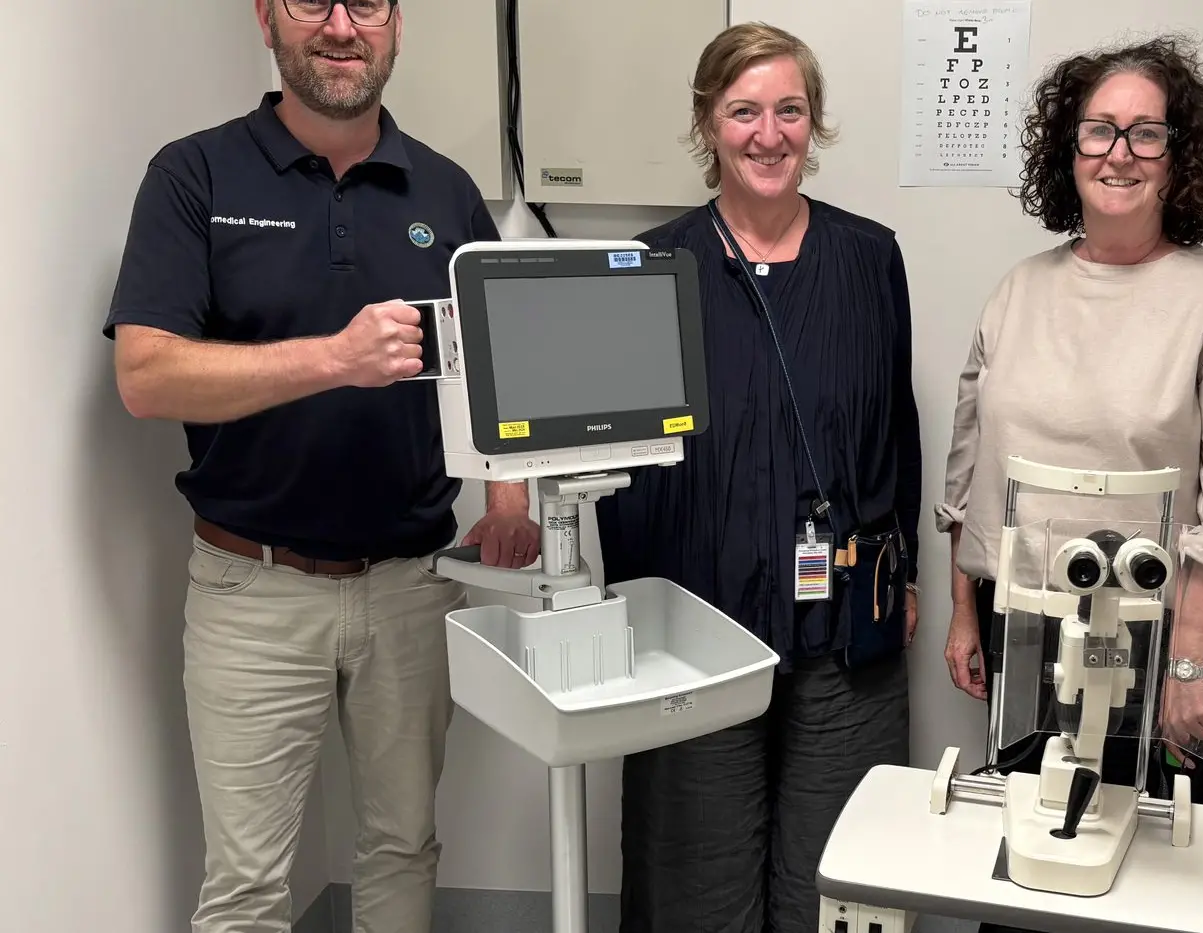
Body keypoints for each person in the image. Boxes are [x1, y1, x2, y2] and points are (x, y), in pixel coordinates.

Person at [103, 2, 538, 931]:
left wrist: (507, 499)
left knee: (401, 847)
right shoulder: (195, 174)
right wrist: (332, 358)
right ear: (266, 18)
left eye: (368, 4)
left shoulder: (447, 191)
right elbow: (144, 374)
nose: (342, 27)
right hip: (250, 591)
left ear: (395, 24)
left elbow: (494, 373)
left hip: (410, 588)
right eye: (311, 1)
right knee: (250, 886)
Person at [938, 34, 1203, 929]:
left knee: (1141, 886)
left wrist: (1185, 666)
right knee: (1028, 867)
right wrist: (966, 611)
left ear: (1182, 158)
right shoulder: (1021, 290)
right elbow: (971, 463)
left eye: (1146, 134)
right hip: (1028, 634)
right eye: (1099, 131)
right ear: (1070, 148)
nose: (1119, 153)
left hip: (1160, 633)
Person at [593, 22, 923, 933]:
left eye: (789, 110)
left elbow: (897, 421)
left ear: (814, 125)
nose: (768, 134)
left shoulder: (868, 259)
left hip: (844, 631)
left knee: (838, 883)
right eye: (744, 111)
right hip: (692, 631)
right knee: (695, 887)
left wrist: (912, 576)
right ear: (707, 123)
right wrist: (630, 608)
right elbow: (612, 459)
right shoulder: (650, 270)